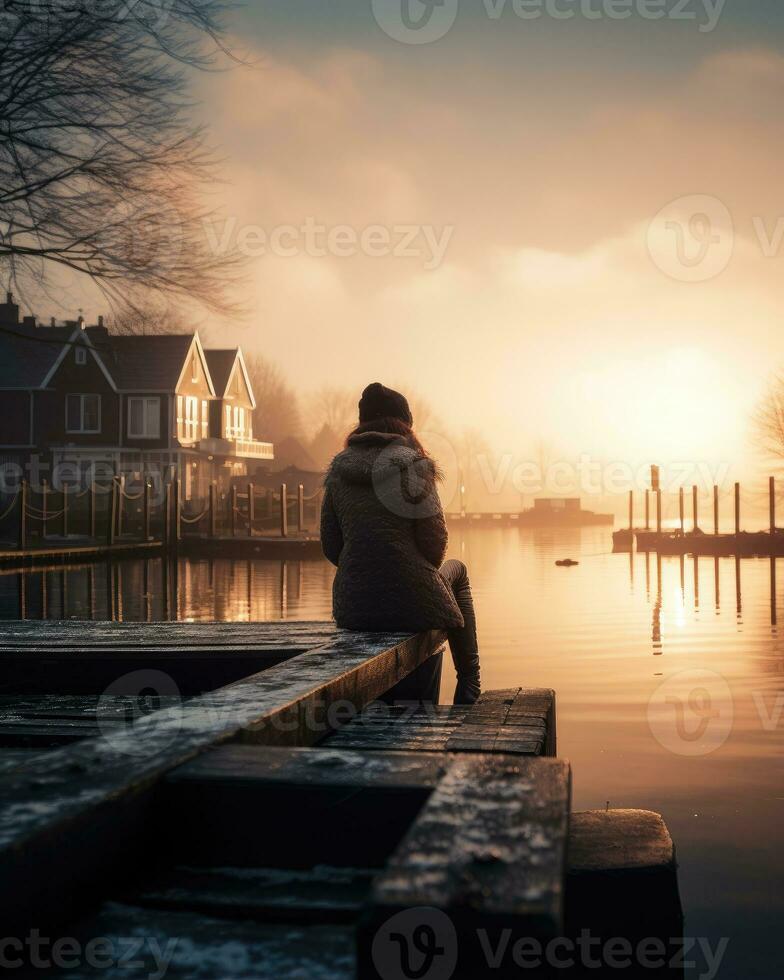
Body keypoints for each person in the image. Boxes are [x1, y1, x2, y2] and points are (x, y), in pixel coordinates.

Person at [320, 382, 481, 704]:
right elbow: (435, 546)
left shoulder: (339, 470)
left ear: (362, 424)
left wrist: (366, 568)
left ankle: (467, 682)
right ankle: (469, 682)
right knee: (458, 571)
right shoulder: (414, 466)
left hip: (354, 607)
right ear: (405, 424)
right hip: (414, 602)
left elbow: (331, 545)